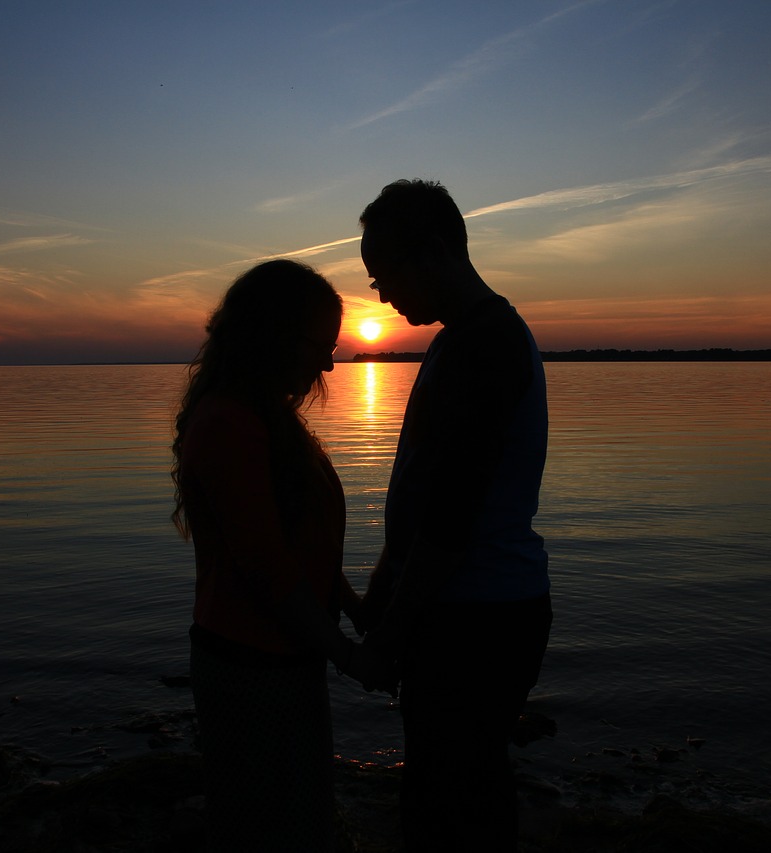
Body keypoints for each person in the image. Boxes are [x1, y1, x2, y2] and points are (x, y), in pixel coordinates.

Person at [357, 179, 553, 851]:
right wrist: (381, 597)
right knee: (453, 784)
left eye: (384, 275)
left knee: (454, 803)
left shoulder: (485, 345)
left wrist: (390, 633)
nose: (381, 295)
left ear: (433, 252)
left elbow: (451, 518)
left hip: (480, 617)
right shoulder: (460, 338)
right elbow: (422, 498)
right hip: (470, 608)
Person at [171, 258, 375, 851]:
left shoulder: (267, 417)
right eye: (321, 345)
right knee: (267, 825)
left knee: (299, 814)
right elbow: (264, 564)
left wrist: (353, 609)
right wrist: (346, 654)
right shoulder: (228, 424)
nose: (329, 363)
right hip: (248, 661)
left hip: (287, 651)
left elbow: (297, 540)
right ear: (276, 335)